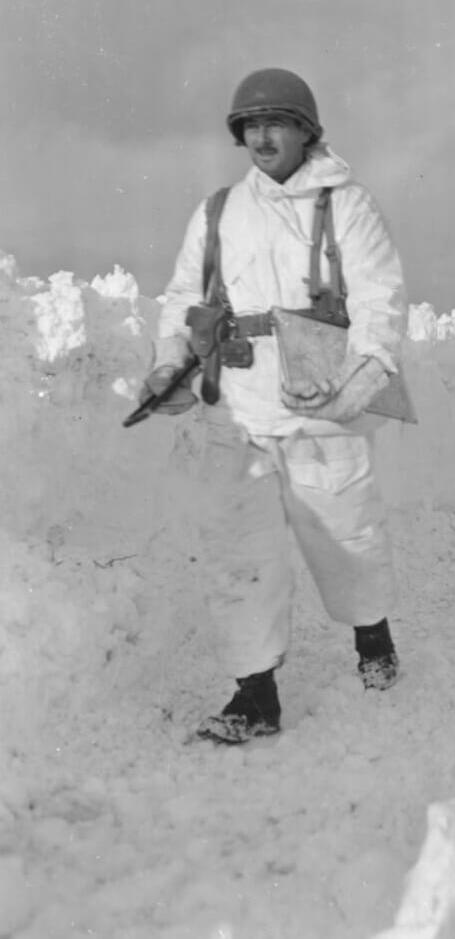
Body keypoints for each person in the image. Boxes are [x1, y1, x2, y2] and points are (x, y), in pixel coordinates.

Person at [140, 68, 410, 744]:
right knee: (239, 550)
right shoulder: (218, 211)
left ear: (305, 132)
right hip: (234, 404)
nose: (262, 138)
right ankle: (255, 694)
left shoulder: (345, 204)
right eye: (251, 127)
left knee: (343, 530)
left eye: (276, 124)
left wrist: (368, 370)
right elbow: (180, 298)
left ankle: (371, 634)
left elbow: (381, 297)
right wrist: (168, 362)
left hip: (320, 394)